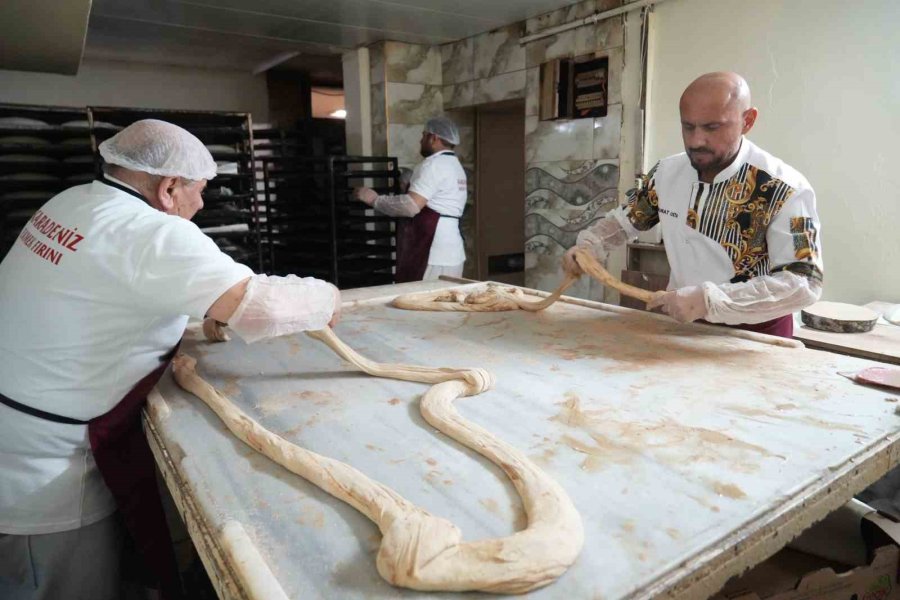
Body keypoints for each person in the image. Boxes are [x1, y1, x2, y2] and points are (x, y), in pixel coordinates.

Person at [0, 119, 341, 600]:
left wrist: (203, 311)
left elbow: (106, 295)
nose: (201, 206)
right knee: (59, 587)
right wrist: (328, 297)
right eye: (199, 192)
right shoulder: (152, 233)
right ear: (169, 188)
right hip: (45, 467)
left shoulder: (72, 202)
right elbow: (262, 307)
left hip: (14, 429)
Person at [563, 72, 823, 337]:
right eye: (688, 127)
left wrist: (710, 300)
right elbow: (624, 221)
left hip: (755, 337)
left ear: (748, 120)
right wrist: (590, 245)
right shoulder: (665, 173)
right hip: (682, 326)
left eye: (712, 127)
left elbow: (805, 281)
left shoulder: (788, 189)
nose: (696, 141)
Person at [354, 116, 467, 282]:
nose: (420, 141)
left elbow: (411, 205)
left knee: (425, 300)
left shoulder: (433, 164)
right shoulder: (455, 166)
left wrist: (374, 199)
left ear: (433, 137)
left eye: (423, 136)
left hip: (433, 249)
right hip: (452, 248)